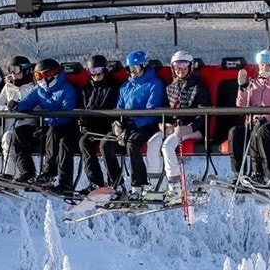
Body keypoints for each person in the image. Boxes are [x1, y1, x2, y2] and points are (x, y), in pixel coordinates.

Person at [103, 50, 165, 193]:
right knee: (106, 143)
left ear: (144, 66)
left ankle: (138, 183)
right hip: (127, 126)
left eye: (135, 69)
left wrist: (133, 125)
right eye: (129, 69)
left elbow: (152, 111)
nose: (132, 73)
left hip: (147, 125)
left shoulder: (155, 84)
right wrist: (117, 124)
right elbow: (119, 108)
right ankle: (116, 183)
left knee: (132, 142)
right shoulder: (125, 86)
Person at [12, 58, 78, 191]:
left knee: (55, 134)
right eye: (37, 76)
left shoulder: (66, 89)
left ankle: (50, 174)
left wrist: (50, 121)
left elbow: (67, 112)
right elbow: (27, 102)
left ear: (51, 75)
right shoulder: (39, 90)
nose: (40, 79)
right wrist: (16, 106)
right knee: (20, 133)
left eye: (42, 75)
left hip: (65, 128)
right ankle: (27, 172)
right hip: (47, 127)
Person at [229, 49, 270, 184]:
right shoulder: (252, 84)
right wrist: (242, 88)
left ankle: (266, 174)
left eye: (268, 64)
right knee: (235, 132)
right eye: (261, 64)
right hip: (254, 124)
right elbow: (241, 107)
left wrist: (266, 118)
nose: (264, 67)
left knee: (260, 131)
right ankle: (239, 173)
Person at [161, 50, 210, 193]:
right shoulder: (170, 88)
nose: (180, 70)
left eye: (184, 66)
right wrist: (164, 125)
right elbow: (163, 110)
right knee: (155, 143)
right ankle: (153, 184)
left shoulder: (198, 87)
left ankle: (174, 186)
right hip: (175, 129)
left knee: (167, 146)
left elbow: (204, 113)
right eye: (177, 66)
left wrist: (190, 127)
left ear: (190, 67)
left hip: (194, 130)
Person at [0, 55, 35, 178]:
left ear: (25, 70)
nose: (13, 74)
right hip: (7, 125)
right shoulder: (8, 86)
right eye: (10, 70)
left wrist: (22, 110)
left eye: (16, 70)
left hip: (25, 127)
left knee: (8, 139)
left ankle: (8, 174)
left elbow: (37, 106)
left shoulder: (33, 87)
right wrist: (9, 109)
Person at [76, 54, 118, 192]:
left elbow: (113, 106)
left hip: (109, 127)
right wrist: (83, 121)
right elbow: (82, 108)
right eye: (91, 71)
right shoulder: (86, 89)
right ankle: (96, 182)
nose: (94, 74)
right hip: (93, 128)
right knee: (84, 142)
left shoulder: (112, 87)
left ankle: (115, 183)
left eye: (97, 70)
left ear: (104, 70)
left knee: (105, 144)